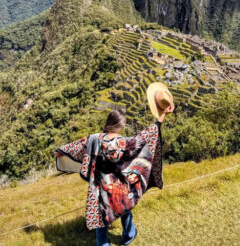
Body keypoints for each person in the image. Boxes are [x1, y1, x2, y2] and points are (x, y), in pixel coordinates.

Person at [54, 82, 173, 246]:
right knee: (125, 208)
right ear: (120, 125)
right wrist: (161, 117)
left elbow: (75, 146)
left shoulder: (94, 139)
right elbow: (146, 136)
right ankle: (128, 236)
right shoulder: (125, 143)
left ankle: (103, 244)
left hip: (101, 188)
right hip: (120, 188)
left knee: (101, 220)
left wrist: (61, 151)